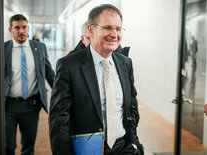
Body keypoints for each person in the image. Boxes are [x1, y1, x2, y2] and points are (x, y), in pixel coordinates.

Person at [49, 4, 142, 155]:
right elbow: (59, 120)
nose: (114, 34)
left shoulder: (125, 64)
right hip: (88, 150)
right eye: (107, 28)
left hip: (123, 147)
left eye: (118, 29)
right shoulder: (69, 66)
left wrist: (133, 142)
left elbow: (131, 108)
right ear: (90, 30)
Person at [4, 14, 55, 155]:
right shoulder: (3, 49)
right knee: (8, 146)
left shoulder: (39, 48)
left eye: (24, 27)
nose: (21, 31)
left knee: (28, 147)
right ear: (10, 30)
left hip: (31, 105)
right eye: (17, 28)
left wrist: (63, 91)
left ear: (28, 28)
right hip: (8, 105)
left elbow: (49, 73)